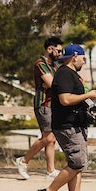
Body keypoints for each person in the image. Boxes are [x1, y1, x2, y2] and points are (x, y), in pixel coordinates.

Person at [35, 44, 96, 191]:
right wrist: (88, 95)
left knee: (77, 166)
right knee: (78, 163)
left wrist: (93, 115)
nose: (84, 61)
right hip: (68, 127)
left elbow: (76, 103)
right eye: (83, 58)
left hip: (75, 125)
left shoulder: (70, 74)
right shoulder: (64, 74)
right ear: (75, 56)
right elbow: (66, 100)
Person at [16, 36, 64, 180]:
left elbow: (58, 83)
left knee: (51, 139)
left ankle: (50, 171)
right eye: (59, 51)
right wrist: (57, 83)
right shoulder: (40, 64)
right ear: (50, 49)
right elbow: (53, 84)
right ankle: (23, 161)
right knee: (48, 137)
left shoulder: (54, 66)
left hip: (53, 105)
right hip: (44, 104)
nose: (60, 54)